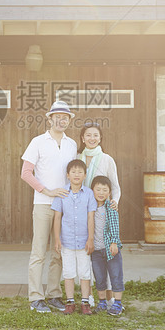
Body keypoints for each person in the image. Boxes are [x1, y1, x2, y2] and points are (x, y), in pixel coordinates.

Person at [21, 100, 78, 314]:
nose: (61, 120)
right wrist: (47, 191)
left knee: (59, 252)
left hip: (64, 207)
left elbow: (74, 173)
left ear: (69, 120)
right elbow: (25, 173)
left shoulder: (71, 144)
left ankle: (54, 294)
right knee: (39, 252)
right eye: (58, 116)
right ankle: (36, 297)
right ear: (50, 118)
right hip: (44, 204)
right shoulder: (38, 142)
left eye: (66, 117)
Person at [78, 122, 121, 306]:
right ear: (82, 138)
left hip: (102, 210)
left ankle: (110, 298)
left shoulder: (107, 159)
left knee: (107, 255)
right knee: (87, 254)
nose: (92, 138)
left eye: (95, 135)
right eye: (88, 135)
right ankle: (89, 296)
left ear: (100, 138)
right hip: (81, 211)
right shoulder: (76, 158)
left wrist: (114, 202)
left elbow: (115, 186)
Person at [51, 159, 96, 315]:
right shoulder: (62, 193)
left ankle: (85, 302)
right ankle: (70, 302)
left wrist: (91, 238)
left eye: (80, 172)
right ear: (68, 175)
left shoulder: (89, 194)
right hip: (67, 241)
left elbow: (91, 217)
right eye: (73, 172)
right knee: (68, 272)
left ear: (85, 175)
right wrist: (57, 238)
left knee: (85, 272)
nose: (77, 175)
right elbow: (57, 217)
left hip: (84, 241)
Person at [90, 175, 125, 316]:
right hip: (96, 250)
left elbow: (114, 226)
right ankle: (102, 302)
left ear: (109, 192)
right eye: (98, 189)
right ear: (92, 190)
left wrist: (114, 242)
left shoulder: (110, 206)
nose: (101, 193)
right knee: (99, 277)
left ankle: (117, 303)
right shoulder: (90, 207)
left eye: (104, 190)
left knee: (116, 275)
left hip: (111, 249)